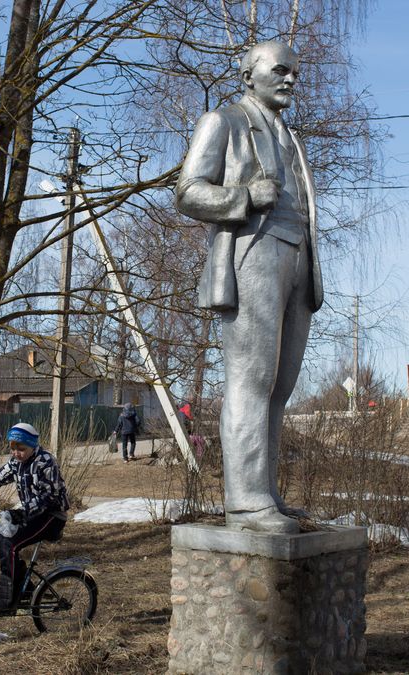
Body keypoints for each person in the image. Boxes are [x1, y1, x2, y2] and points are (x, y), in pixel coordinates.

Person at [175, 41, 322, 534]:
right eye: (280, 70)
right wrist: (243, 196)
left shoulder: (291, 137)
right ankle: (246, 502)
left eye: (294, 73)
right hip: (254, 254)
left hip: (298, 260)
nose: (290, 80)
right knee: (251, 379)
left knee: (279, 387)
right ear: (248, 74)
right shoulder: (224, 122)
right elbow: (188, 191)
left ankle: (266, 495)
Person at [0, 422, 69, 612]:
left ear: (33, 446)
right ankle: (25, 587)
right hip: (32, 513)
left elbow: (51, 496)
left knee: (11, 545)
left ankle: (8, 600)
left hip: (52, 516)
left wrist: (23, 512)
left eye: (21, 449)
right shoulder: (17, 463)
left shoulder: (46, 461)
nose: (16, 453)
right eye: (13, 449)